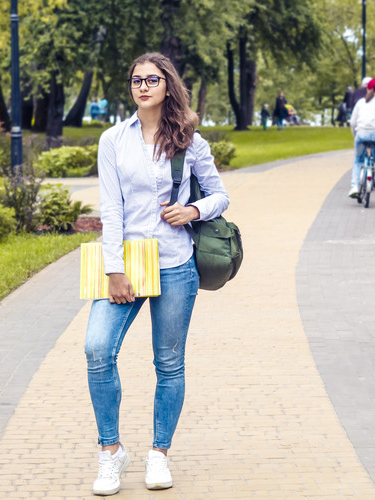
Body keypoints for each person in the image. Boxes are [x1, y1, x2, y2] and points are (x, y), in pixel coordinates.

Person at [84, 52, 230, 496]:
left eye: (151, 79)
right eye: (135, 80)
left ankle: (158, 454)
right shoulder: (113, 139)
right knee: (97, 349)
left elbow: (221, 195)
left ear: (168, 85)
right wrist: (114, 270)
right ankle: (111, 452)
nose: (142, 86)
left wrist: (193, 209)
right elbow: (111, 209)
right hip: (126, 265)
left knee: (168, 364)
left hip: (175, 265)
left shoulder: (189, 140)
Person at [349, 78, 375, 198]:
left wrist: (355, 135)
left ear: (367, 88)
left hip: (361, 134)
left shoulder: (360, 102)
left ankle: (354, 187)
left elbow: (353, 122)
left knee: (358, 160)